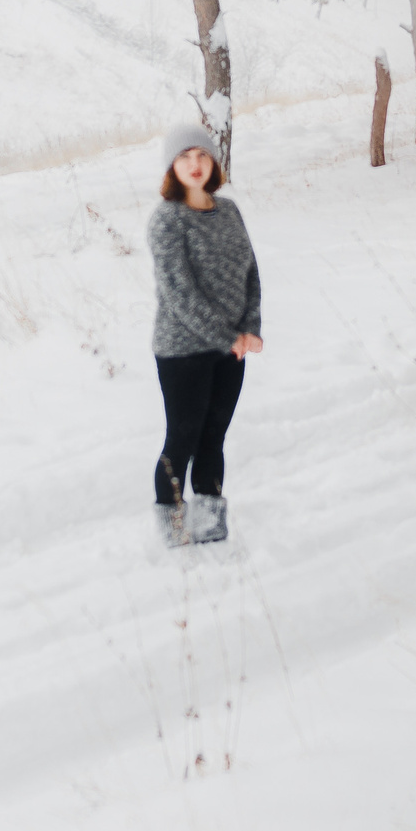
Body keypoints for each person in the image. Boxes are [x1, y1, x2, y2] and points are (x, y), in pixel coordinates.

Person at [146, 120, 263, 546]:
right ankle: (172, 524)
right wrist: (225, 336)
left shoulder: (228, 211)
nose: (194, 165)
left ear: (213, 162)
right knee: (183, 437)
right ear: (171, 167)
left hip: (230, 346)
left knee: (214, 435)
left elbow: (250, 272)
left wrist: (250, 327)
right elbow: (179, 293)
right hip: (183, 350)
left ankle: (211, 519)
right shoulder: (166, 222)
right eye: (184, 157)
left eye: (201, 156)